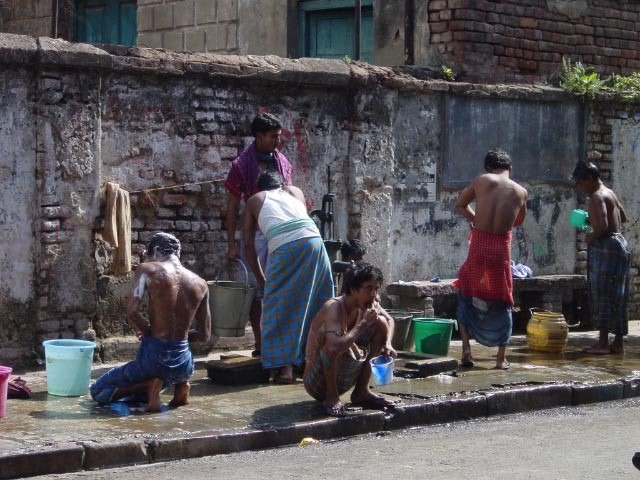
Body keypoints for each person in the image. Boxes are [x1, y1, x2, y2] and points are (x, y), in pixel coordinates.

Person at [90, 233, 211, 412]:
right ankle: (179, 385)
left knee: (98, 391)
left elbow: (132, 312)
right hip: (184, 364)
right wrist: (175, 336)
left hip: (154, 360)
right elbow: (204, 334)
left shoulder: (148, 270)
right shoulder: (201, 283)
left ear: (156, 250)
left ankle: (149, 385)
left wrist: (149, 332)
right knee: (152, 387)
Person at [244, 171, 334, 383]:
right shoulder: (294, 191)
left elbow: (248, 245)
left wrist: (262, 280)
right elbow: (300, 219)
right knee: (315, 301)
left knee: (278, 306)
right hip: (314, 242)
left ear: (260, 188)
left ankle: (286, 368)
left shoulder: (255, 199)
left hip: (286, 246)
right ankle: (311, 362)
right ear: (282, 184)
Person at [225, 112, 293, 357]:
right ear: (259, 136)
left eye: (278, 136)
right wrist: (231, 244)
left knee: (282, 287)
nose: (277, 141)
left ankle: (281, 342)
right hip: (254, 233)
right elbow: (233, 206)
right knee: (256, 290)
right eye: (273, 136)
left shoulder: (282, 162)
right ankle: (260, 342)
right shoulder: (241, 165)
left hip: (281, 232)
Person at [453, 148, 527, 370]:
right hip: (501, 248)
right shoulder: (521, 191)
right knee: (503, 297)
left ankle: (466, 351)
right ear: (510, 168)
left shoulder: (481, 180)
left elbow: (460, 205)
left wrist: (478, 220)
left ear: (488, 168)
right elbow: (518, 222)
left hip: (479, 244)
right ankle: (500, 359)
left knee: (466, 291)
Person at [303, 262, 397, 417]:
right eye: (368, 289)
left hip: (345, 375)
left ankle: (361, 392)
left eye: (376, 289)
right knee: (330, 339)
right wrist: (363, 323)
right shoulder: (334, 307)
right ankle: (331, 398)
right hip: (317, 383)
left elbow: (389, 320)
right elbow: (332, 348)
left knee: (380, 323)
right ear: (353, 289)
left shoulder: (369, 303)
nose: (374, 294)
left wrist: (387, 344)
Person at [573, 161, 631, 355]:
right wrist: (591, 218)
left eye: (581, 182)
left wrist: (590, 236)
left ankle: (603, 344)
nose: (580, 187)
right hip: (620, 245)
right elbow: (623, 217)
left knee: (603, 293)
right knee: (618, 295)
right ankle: (618, 343)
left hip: (607, 249)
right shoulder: (609, 192)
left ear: (589, 179)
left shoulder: (597, 196)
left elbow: (604, 226)